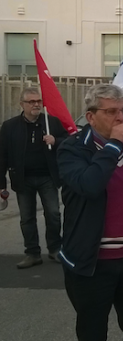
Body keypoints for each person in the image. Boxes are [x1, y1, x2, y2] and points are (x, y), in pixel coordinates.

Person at [57, 84, 123, 341]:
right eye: (112, 111)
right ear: (90, 117)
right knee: (92, 331)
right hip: (91, 263)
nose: (121, 117)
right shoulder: (72, 148)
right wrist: (113, 144)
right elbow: (89, 185)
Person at [0, 87, 67, 269]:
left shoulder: (51, 122)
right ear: (22, 104)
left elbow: (69, 140)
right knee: (27, 218)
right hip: (22, 179)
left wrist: (56, 140)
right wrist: (1, 184)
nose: (36, 105)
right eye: (31, 102)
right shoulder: (9, 126)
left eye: (38, 101)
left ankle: (55, 248)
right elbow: (2, 155)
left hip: (47, 177)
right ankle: (32, 253)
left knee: (53, 213)